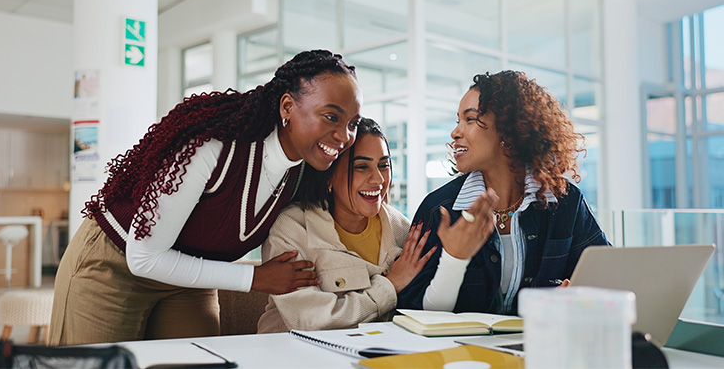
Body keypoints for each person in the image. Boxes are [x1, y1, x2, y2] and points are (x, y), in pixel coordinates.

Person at [50, 50, 363, 345]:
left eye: (352, 124)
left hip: (188, 281)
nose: (345, 136)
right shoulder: (214, 147)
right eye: (331, 117)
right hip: (114, 265)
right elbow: (144, 257)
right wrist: (255, 278)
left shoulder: (304, 174)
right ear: (287, 107)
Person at [396, 70, 610, 315]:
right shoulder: (440, 209)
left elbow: (605, 280)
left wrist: (574, 296)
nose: (455, 133)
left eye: (470, 119)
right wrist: (454, 259)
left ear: (508, 129)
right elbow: (412, 308)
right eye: (458, 120)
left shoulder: (566, 203)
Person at [257, 118, 436, 333]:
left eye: (383, 165)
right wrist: (390, 285)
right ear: (328, 177)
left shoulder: (402, 229)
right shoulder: (293, 228)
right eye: (361, 167)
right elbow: (312, 320)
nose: (378, 179)